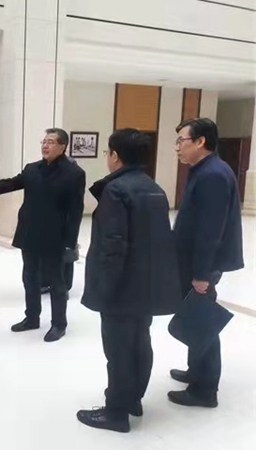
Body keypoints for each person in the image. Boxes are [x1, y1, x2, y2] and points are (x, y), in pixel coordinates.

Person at [75, 128, 182, 433]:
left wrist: (105, 289)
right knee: (139, 342)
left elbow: (113, 245)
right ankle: (133, 398)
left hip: (121, 286)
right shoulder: (155, 188)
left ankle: (116, 412)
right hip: (146, 284)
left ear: (115, 156)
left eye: (108, 152)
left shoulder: (116, 190)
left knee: (119, 350)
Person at [0, 128, 85, 342]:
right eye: (44, 141)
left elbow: (76, 210)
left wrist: (70, 242)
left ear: (62, 147)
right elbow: (14, 182)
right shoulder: (32, 169)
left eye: (51, 142)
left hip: (55, 236)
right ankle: (32, 318)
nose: (45, 145)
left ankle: (59, 324)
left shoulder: (74, 173)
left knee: (56, 282)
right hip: (30, 232)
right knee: (30, 278)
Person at [168, 118, 243, 408]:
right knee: (195, 315)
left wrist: (202, 274)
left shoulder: (213, 174)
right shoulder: (205, 170)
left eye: (181, 141)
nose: (177, 147)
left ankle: (205, 390)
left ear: (200, 142)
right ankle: (196, 371)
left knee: (202, 319)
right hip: (195, 260)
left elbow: (210, 230)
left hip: (202, 264)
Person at [41, 154, 80, 296]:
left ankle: (64, 286)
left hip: (65, 220)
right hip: (48, 220)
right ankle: (47, 283)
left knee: (66, 255)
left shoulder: (71, 172)